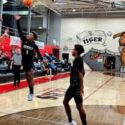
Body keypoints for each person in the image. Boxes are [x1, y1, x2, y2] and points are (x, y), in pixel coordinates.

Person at [15, 15, 43, 101]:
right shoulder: (24, 40)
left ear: (33, 37)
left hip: (30, 62)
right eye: (29, 34)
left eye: (30, 34)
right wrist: (17, 21)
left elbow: (38, 53)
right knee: (27, 77)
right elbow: (20, 31)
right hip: (24, 62)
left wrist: (41, 59)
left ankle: (31, 92)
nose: (29, 35)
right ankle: (30, 91)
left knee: (30, 75)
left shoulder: (34, 45)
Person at [63, 44, 87, 125]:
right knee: (65, 102)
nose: (72, 50)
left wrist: (81, 89)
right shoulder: (77, 60)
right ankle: (70, 121)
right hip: (72, 86)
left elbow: (81, 75)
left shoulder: (78, 60)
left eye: (73, 49)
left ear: (76, 51)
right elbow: (83, 72)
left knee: (79, 106)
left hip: (76, 87)